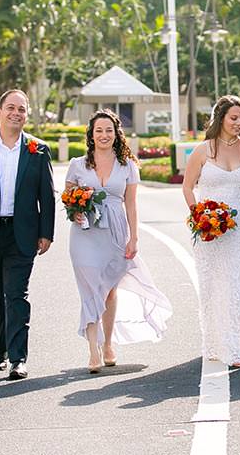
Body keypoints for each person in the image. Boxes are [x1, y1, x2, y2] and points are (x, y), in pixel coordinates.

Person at [65, 110, 172, 373]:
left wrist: (134, 238)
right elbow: (67, 197)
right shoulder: (78, 165)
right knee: (90, 289)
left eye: (109, 130)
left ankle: (109, 343)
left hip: (115, 232)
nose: (104, 135)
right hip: (85, 234)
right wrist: (75, 208)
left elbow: (131, 206)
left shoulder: (127, 166)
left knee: (110, 289)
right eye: (99, 130)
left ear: (116, 134)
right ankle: (93, 350)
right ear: (91, 134)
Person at [0, 89, 56, 380]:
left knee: (16, 295)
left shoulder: (37, 149)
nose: (16, 113)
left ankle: (19, 358)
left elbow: (47, 194)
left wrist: (46, 232)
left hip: (22, 233)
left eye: (21, 109)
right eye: (10, 108)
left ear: (27, 114)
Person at [182, 95, 240, 368]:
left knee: (238, 281)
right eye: (234, 118)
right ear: (221, 118)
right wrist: (199, 215)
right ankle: (219, 343)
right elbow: (187, 186)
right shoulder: (203, 150)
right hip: (209, 228)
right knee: (213, 284)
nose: (239, 123)